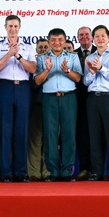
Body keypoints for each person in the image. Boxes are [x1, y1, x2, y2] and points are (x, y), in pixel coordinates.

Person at [0, 15, 37, 182]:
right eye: (10, 26)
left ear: (20, 27)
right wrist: (9, 54)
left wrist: (18, 56)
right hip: (4, 88)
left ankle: (21, 172)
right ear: (5, 27)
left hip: (23, 88)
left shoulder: (28, 47)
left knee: (21, 130)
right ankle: (6, 173)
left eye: (15, 26)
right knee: (5, 131)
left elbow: (32, 68)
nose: (13, 29)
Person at [34, 28, 83, 181]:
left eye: (60, 40)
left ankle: (67, 170)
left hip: (68, 98)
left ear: (64, 40)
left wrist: (67, 70)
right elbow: (37, 81)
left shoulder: (72, 57)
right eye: (53, 40)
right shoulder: (42, 58)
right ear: (49, 42)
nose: (57, 43)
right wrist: (47, 70)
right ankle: (53, 171)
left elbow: (78, 79)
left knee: (69, 134)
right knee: (50, 134)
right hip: (49, 99)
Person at [82, 25, 109, 181]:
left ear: (108, 38)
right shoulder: (89, 58)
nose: (100, 39)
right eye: (97, 36)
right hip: (93, 98)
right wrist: (92, 73)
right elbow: (86, 82)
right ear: (93, 38)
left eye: (102, 36)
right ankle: (96, 172)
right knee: (95, 136)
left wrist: (101, 68)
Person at [27, 38, 51, 181]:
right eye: (40, 47)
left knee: (50, 140)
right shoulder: (33, 65)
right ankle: (34, 172)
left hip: (52, 106)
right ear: (36, 50)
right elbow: (32, 85)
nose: (43, 49)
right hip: (36, 105)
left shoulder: (55, 64)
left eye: (45, 47)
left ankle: (48, 171)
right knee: (34, 140)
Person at [74, 26, 94, 178]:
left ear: (92, 36)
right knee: (82, 136)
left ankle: (98, 168)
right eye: (81, 35)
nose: (84, 37)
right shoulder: (73, 54)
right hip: (78, 100)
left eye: (87, 34)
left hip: (96, 98)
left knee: (97, 134)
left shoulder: (101, 52)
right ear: (78, 38)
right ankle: (85, 168)